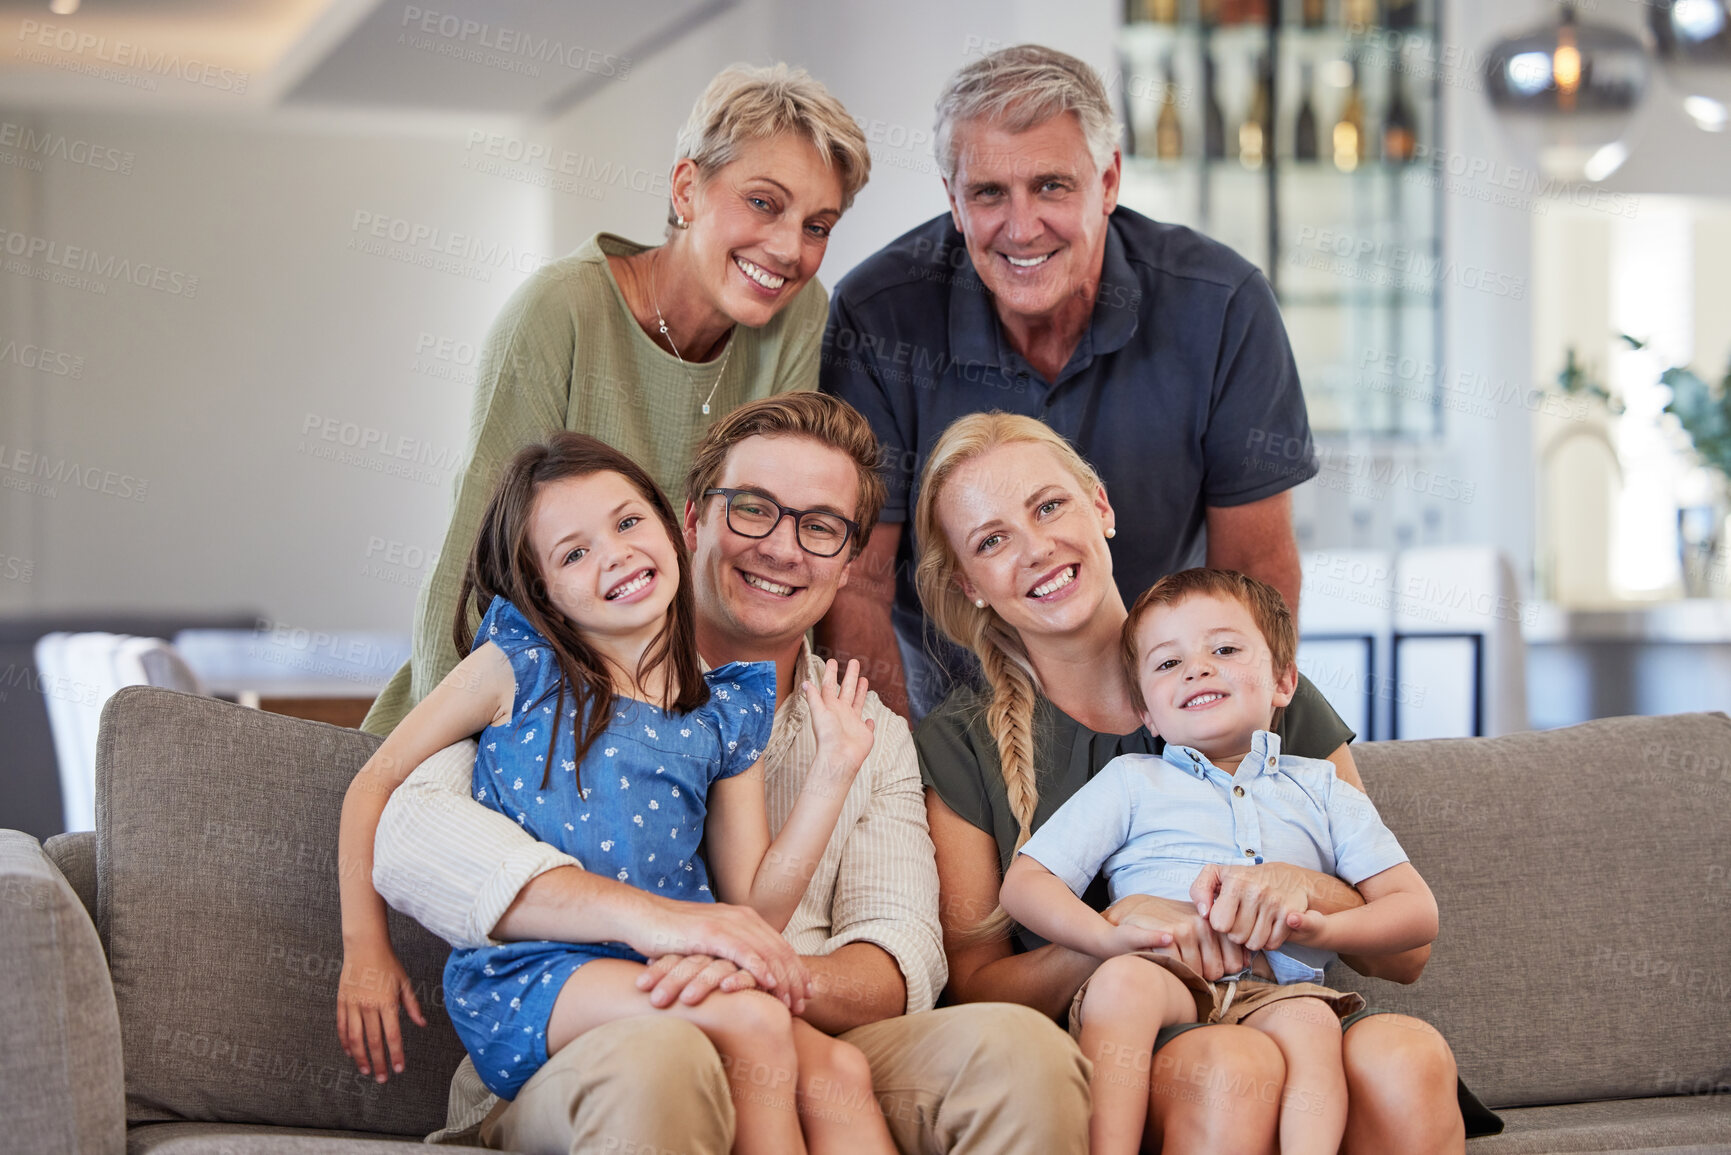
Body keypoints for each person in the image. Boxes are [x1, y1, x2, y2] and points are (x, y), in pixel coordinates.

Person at [352, 394, 1091, 1154]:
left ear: (847, 563)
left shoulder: (866, 732)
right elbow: (409, 830)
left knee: (1018, 1051)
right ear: (693, 521)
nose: (781, 547)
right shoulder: (544, 672)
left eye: (819, 526)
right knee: (665, 1053)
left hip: (784, 1034)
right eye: (752, 509)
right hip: (582, 1040)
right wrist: (678, 940)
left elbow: (899, 959)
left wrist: (740, 975)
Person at [913, 412, 1484, 1154]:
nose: (1035, 548)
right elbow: (972, 987)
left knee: (1407, 1057)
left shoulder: (1252, 684)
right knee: (1227, 1064)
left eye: (1048, 505)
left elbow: (1405, 955)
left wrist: (1294, 887)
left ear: (1101, 506)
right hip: (1125, 1034)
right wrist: (1123, 935)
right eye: (992, 540)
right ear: (970, 583)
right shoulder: (959, 741)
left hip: (1287, 1002)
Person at [338, 432, 894, 1153]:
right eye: (574, 552)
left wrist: (831, 775)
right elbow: (374, 783)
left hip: (666, 968)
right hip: (532, 975)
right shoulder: (520, 666)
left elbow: (753, 909)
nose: (616, 554)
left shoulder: (720, 710)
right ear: (545, 591)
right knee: (752, 1019)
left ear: (671, 526)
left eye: (629, 522)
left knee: (842, 1069)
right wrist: (364, 948)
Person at [364, 62, 871, 737]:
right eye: (763, 202)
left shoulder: (799, 313)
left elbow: (761, 551)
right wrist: (449, 749)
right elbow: (474, 564)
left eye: (817, 225)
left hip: (660, 726)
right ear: (686, 188)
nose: (787, 249)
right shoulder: (560, 310)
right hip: (510, 713)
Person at [818, 44, 1318, 720]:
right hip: (958, 722)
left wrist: (1220, 746)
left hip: (1162, 708)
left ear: (1108, 181)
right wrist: (896, 783)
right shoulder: (877, 314)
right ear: (953, 201)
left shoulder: (1222, 305)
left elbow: (1253, 572)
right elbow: (856, 584)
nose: (1021, 229)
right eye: (988, 193)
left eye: (1051, 185)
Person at [1001, 568, 1442, 1155]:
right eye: (1167, 663)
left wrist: (1323, 925)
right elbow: (1026, 885)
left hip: (1277, 991)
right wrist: (1107, 940)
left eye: (1225, 649)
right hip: (1165, 972)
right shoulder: (1132, 781)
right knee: (1123, 985)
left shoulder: (1322, 787)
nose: (1196, 668)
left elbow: (1416, 915)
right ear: (1150, 717)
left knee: (1314, 1025)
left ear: (1284, 681)